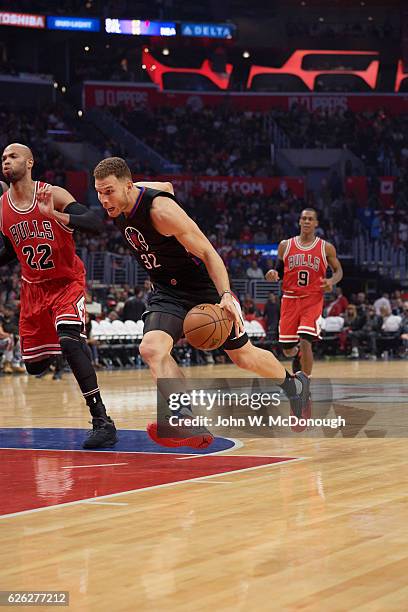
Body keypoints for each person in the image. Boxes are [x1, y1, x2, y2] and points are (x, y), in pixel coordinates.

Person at [93, 156, 310, 449]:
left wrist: (226, 295)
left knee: (243, 357)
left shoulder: (161, 211)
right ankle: (185, 418)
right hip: (166, 291)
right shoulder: (123, 200)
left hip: (203, 289)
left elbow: (209, 253)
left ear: (128, 186)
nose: (103, 199)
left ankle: (295, 386)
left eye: (109, 191)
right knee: (151, 349)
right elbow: (167, 184)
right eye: (98, 192)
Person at [0, 142, 117, 448]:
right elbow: (10, 252)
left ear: (29, 162)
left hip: (66, 282)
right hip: (33, 290)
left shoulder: (53, 194)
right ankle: (58, 346)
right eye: (3, 158)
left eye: (13, 156)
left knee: (69, 339)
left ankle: (102, 420)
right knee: (34, 367)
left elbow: (95, 223)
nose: (6, 160)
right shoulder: (3, 208)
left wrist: (57, 216)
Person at [266, 208, 343, 376]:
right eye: (304, 218)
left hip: (312, 299)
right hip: (289, 299)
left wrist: (331, 281)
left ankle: (304, 383)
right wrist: (272, 273)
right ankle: (298, 354)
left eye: (310, 219)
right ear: (299, 221)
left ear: (316, 223)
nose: (307, 221)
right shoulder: (285, 245)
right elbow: (277, 270)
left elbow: (338, 271)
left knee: (306, 339)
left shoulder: (326, 247)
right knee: (287, 350)